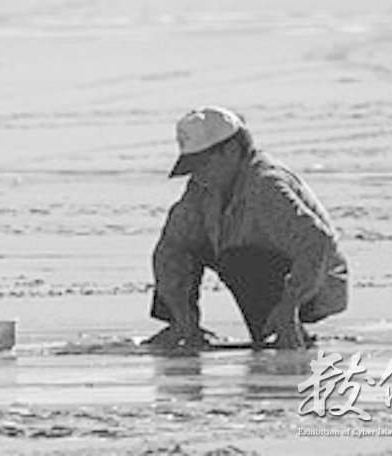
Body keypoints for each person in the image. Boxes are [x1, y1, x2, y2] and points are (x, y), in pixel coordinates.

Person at [147, 106, 347, 351]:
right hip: (254, 258)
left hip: (313, 282)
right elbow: (172, 245)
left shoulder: (265, 186)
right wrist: (182, 314)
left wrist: (289, 307)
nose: (197, 174)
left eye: (203, 163)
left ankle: (276, 327)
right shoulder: (203, 186)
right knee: (182, 246)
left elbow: (317, 243)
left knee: (238, 259)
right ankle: (181, 326)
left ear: (231, 150)